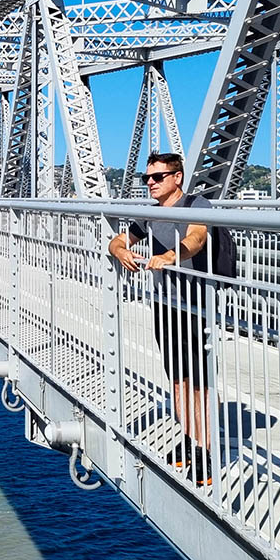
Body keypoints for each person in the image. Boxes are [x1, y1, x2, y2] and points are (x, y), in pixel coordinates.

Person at [107, 152, 214, 485]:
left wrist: (170, 255)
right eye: (146, 178)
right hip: (165, 303)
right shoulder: (149, 215)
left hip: (195, 305)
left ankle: (206, 451)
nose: (150, 183)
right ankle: (189, 437)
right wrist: (121, 250)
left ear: (177, 177)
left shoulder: (197, 205)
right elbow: (118, 240)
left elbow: (196, 239)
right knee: (177, 378)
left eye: (157, 177)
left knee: (198, 382)